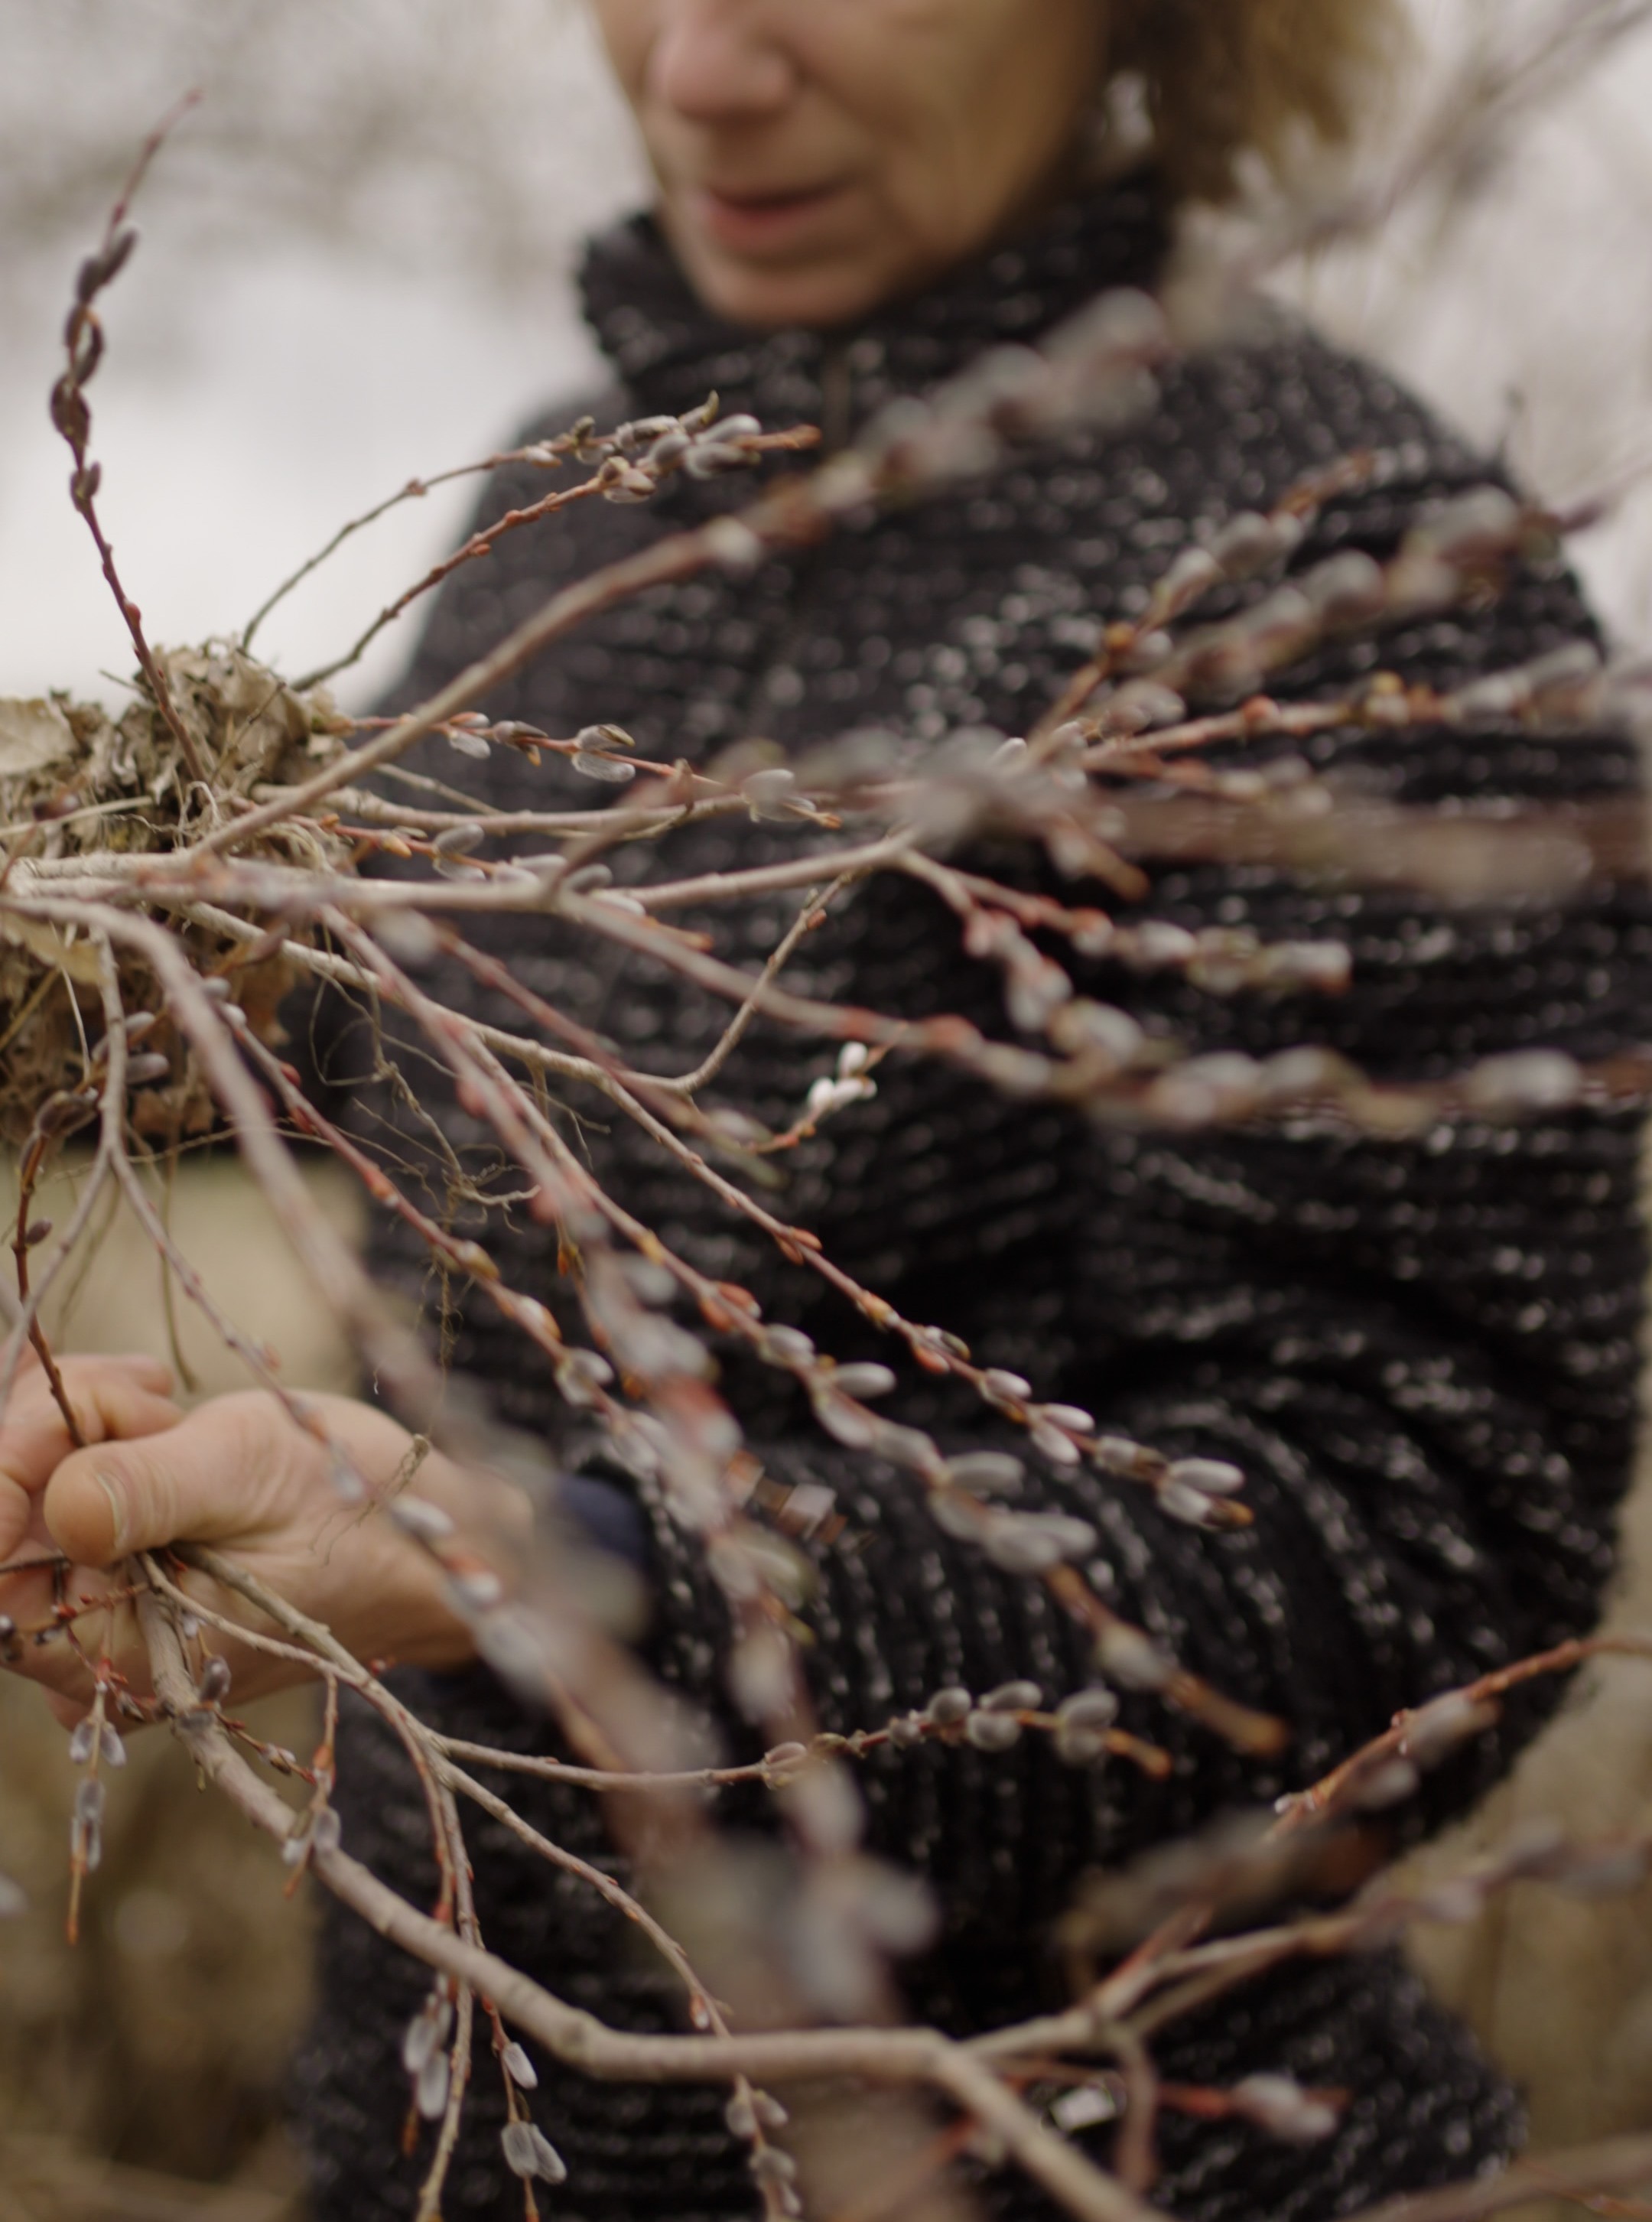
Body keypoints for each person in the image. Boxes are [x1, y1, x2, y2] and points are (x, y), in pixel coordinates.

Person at [3, 4, 1648, 2217]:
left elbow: (1412, 1550)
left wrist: (566, 1569)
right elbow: (351, 1070)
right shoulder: (560, 514)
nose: (698, 71)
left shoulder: (1345, 582)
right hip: (453, 2136)